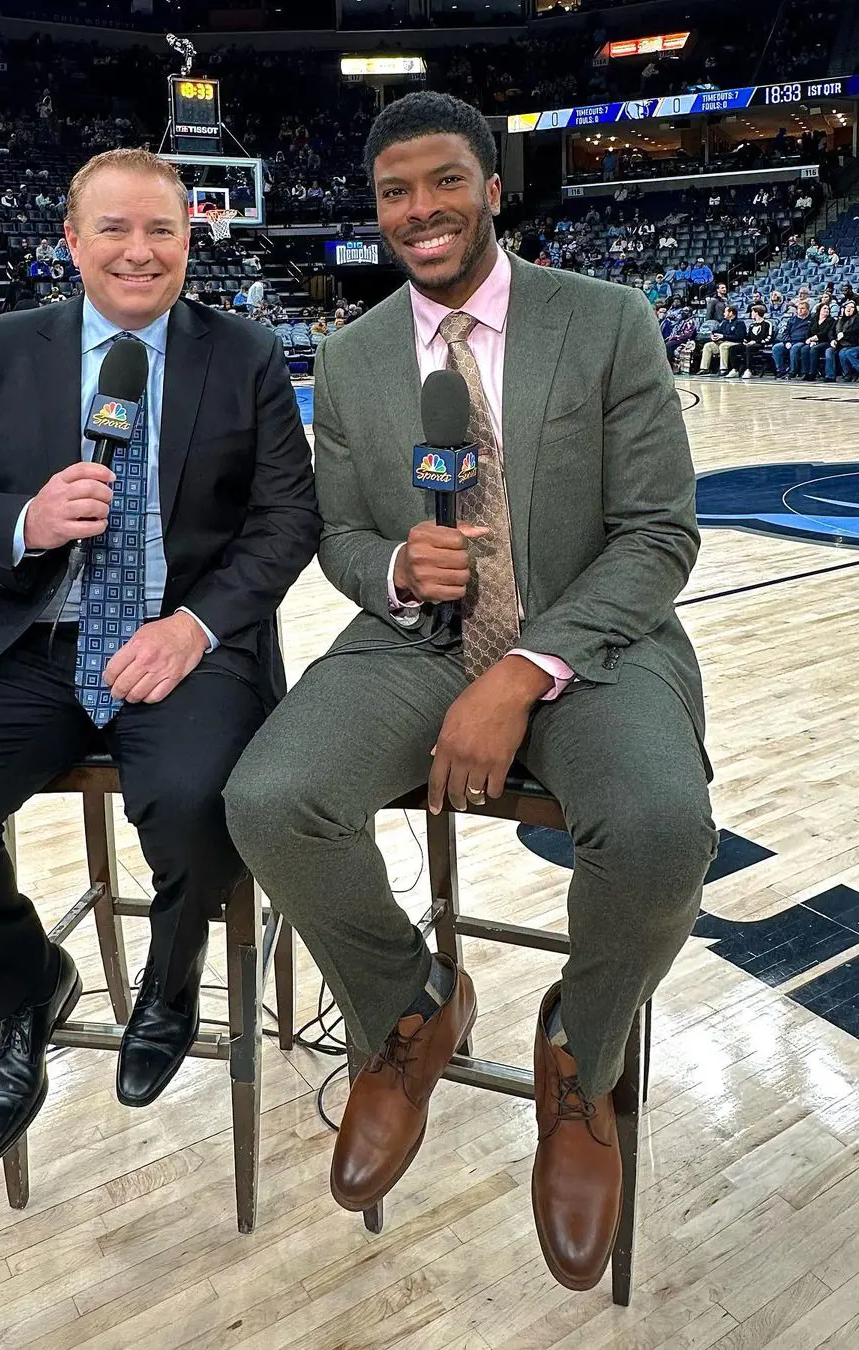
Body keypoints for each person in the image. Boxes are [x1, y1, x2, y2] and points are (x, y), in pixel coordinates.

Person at [225, 92, 716, 1293]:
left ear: (493, 187)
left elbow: (659, 534)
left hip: (591, 646)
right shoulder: (348, 355)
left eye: (445, 182)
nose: (421, 212)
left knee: (660, 827)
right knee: (271, 799)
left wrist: (521, 667)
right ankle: (410, 1007)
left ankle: (580, 1056)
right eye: (396, 193)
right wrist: (392, 565)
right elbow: (339, 533)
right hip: (412, 646)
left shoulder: (607, 319)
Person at [0, 147, 320, 1170]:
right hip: (36, 635)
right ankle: (24, 984)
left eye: (162, 229)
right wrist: (23, 517)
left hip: (185, 638)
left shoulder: (244, 353)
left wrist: (195, 626)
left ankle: (174, 967)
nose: (139, 250)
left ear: (190, 241)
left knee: (201, 801)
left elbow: (290, 517)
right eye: (113, 228)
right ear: (71, 241)